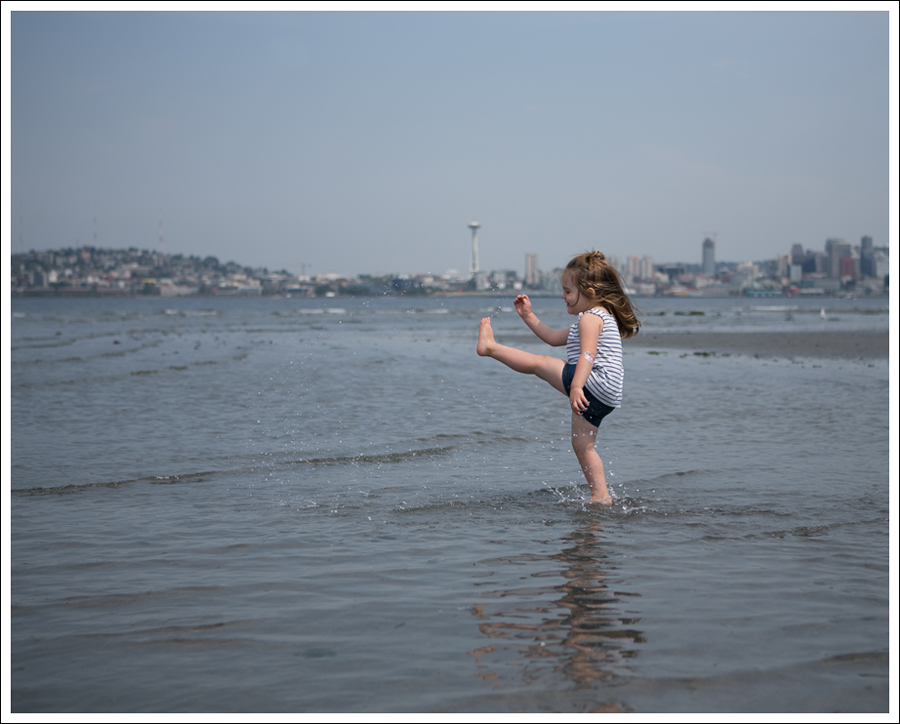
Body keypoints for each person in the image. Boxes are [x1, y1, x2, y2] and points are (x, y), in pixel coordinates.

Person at [476, 251, 640, 505]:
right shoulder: (598, 317)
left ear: (590, 292)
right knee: (583, 447)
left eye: (568, 291)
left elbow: (587, 355)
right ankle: (601, 495)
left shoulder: (589, 318)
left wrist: (576, 386)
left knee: (540, 364)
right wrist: (527, 315)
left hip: (592, 382)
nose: (563, 296)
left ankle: (490, 348)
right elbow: (552, 338)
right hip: (608, 394)